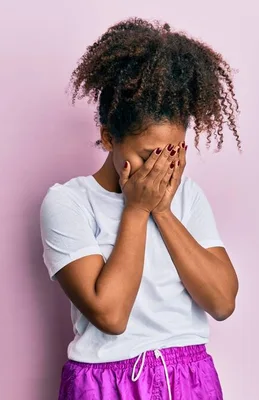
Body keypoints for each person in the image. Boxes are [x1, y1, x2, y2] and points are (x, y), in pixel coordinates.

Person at [40, 18, 240, 400]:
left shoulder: (187, 196)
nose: (162, 168)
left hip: (190, 377)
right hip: (105, 382)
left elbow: (222, 302)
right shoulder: (68, 202)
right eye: (148, 154)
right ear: (108, 137)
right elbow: (111, 315)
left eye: (174, 152)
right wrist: (136, 210)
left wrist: (162, 212)